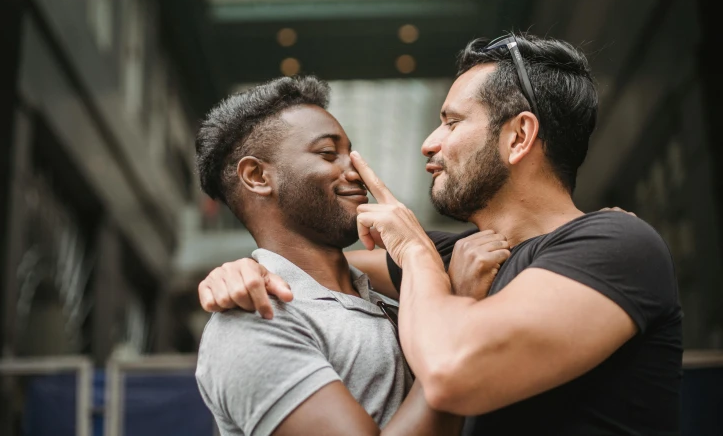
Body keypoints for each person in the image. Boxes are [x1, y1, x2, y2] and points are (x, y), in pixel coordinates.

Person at [198, 33, 683, 435]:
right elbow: (323, 269)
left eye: (451, 122)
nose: (429, 142)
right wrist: (240, 271)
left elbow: (452, 369)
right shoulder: (452, 257)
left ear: (519, 137)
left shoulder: (613, 245)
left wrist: (416, 252)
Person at [193, 76, 463, 436]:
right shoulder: (254, 322)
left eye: (350, 153)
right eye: (326, 153)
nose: (358, 172)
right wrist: (460, 335)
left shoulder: (383, 295)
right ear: (257, 176)